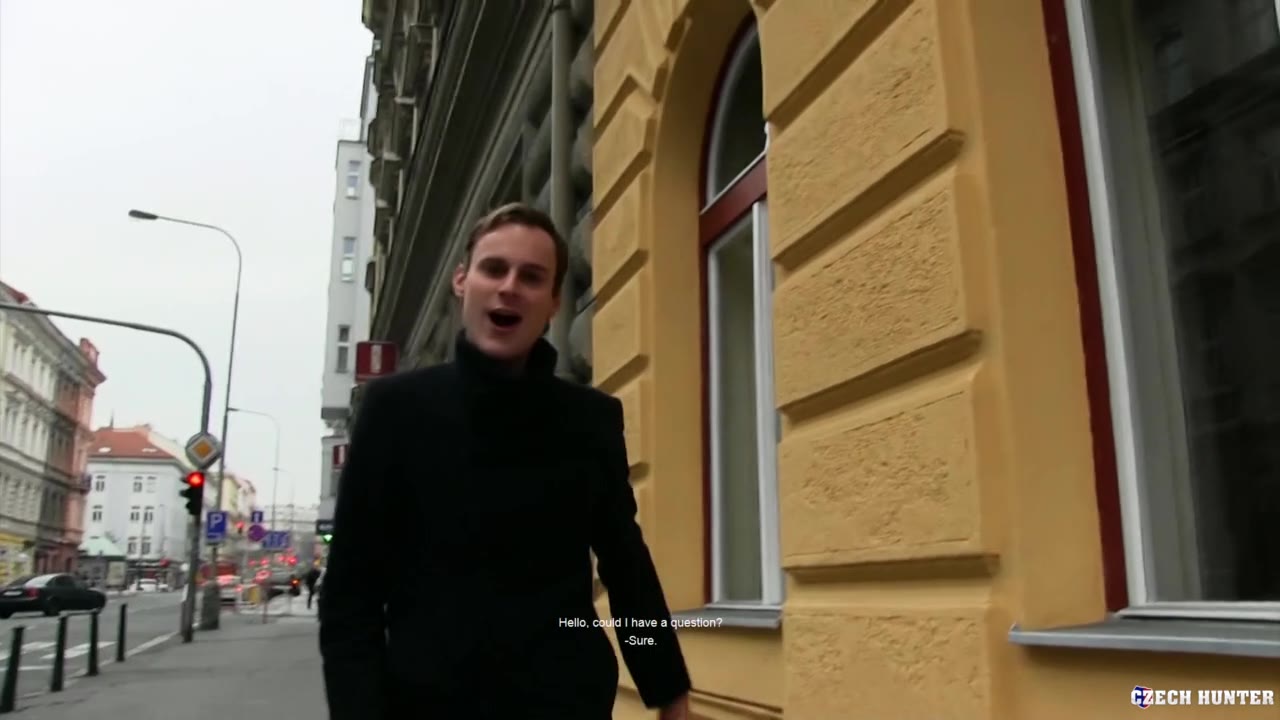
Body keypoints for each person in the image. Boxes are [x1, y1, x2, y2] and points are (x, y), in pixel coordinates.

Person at [319, 203, 692, 719]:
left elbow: (626, 568)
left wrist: (668, 691)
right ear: (462, 281)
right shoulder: (395, 411)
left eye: (532, 277)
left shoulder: (590, 420)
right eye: (494, 269)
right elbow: (349, 595)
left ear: (554, 302)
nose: (509, 287)